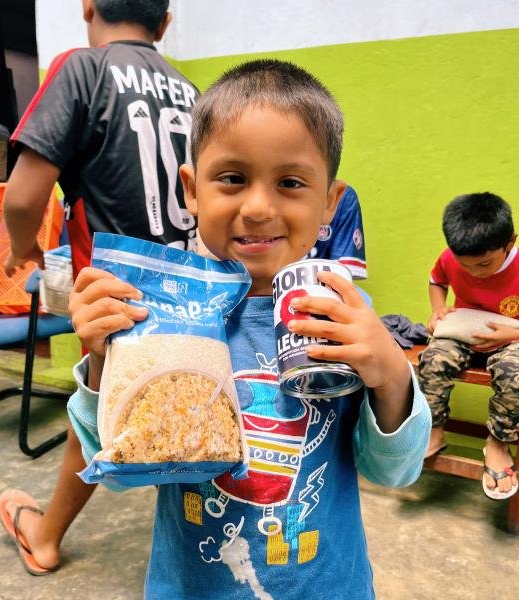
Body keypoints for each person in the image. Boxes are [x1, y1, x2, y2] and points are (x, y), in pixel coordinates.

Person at [67, 59, 431, 598]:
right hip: (189, 586)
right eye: (233, 178)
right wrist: (102, 359)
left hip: (326, 584)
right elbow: (111, 457)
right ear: (192, 190)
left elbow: (393, 473)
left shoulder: (341, 317)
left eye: (290, 182)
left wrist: (392, 375)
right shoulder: (164, 314)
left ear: (329, 202)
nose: (258, 208)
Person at [0, 0, 198, 575]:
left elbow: (21, 198)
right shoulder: (190, 88)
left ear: (87, 6)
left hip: (114, 293)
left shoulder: (80, 69)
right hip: (189, 287)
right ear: (164, 23)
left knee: (94, 409)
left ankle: (45, 535)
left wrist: (22, 248)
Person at [418, 192, 519, 500]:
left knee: (517, 373)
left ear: (510, 242)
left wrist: (509, 336)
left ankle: (498, 444)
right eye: (465, 265)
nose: (474, 273)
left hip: (515, 338)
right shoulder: (450, 258)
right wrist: (438, 309)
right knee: (433, 358)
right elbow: (436, 279)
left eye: (484, 264)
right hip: (467, 332)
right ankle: (434, 429)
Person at [307, 183, 367, 279]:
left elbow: (344, 277)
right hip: (276, 286)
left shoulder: (343, 197)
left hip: (324, 287)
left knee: (360, 294)